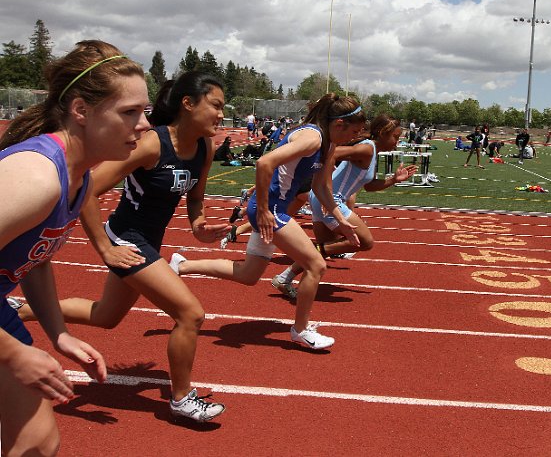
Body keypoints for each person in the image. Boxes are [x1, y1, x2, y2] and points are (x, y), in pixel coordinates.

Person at [16, 71, 232, 423]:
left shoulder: (204, 147)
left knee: (106, 317)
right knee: (190, 314)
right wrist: (104, 247)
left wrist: (200, 227)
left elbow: (195, 199)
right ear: (188, 103)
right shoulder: (152, 144)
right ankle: (181, 399)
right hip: (126, 237)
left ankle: (22, 310)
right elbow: (86, 187)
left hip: (148, 241)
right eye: (216, 105)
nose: (221, 114)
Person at [0, 40, 149, 455]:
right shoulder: (37, 177)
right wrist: (12, 353)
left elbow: (35, 260)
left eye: (145, 112)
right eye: (129, 112)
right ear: (81, 111)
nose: (144, 126)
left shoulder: (80, 177)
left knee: (38, 443)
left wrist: (59, 334)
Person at [170, 94, 365, 350]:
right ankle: (300, 330)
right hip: (271, 210)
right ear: (338, 124)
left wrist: (341, 219)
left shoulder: (327, 144)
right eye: (354, 131)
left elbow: (320, 185)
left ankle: (181, 265)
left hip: (274, 209)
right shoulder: (312, 138)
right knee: (315, 265)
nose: (356, 137)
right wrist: (262, 210)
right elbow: (264, 162)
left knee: (248, 274)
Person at [271, 114, 417, 297]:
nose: (397, 141)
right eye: (395, 136)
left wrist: (394, 179)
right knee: (364, 242)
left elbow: (370, 187)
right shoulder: (367, 149)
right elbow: (332, 154)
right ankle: (308, 258)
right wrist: (328, 193)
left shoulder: (372, 153)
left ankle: (285, 277)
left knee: (324, 248)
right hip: (330, 199)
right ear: (382, 133)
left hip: (320, 198)